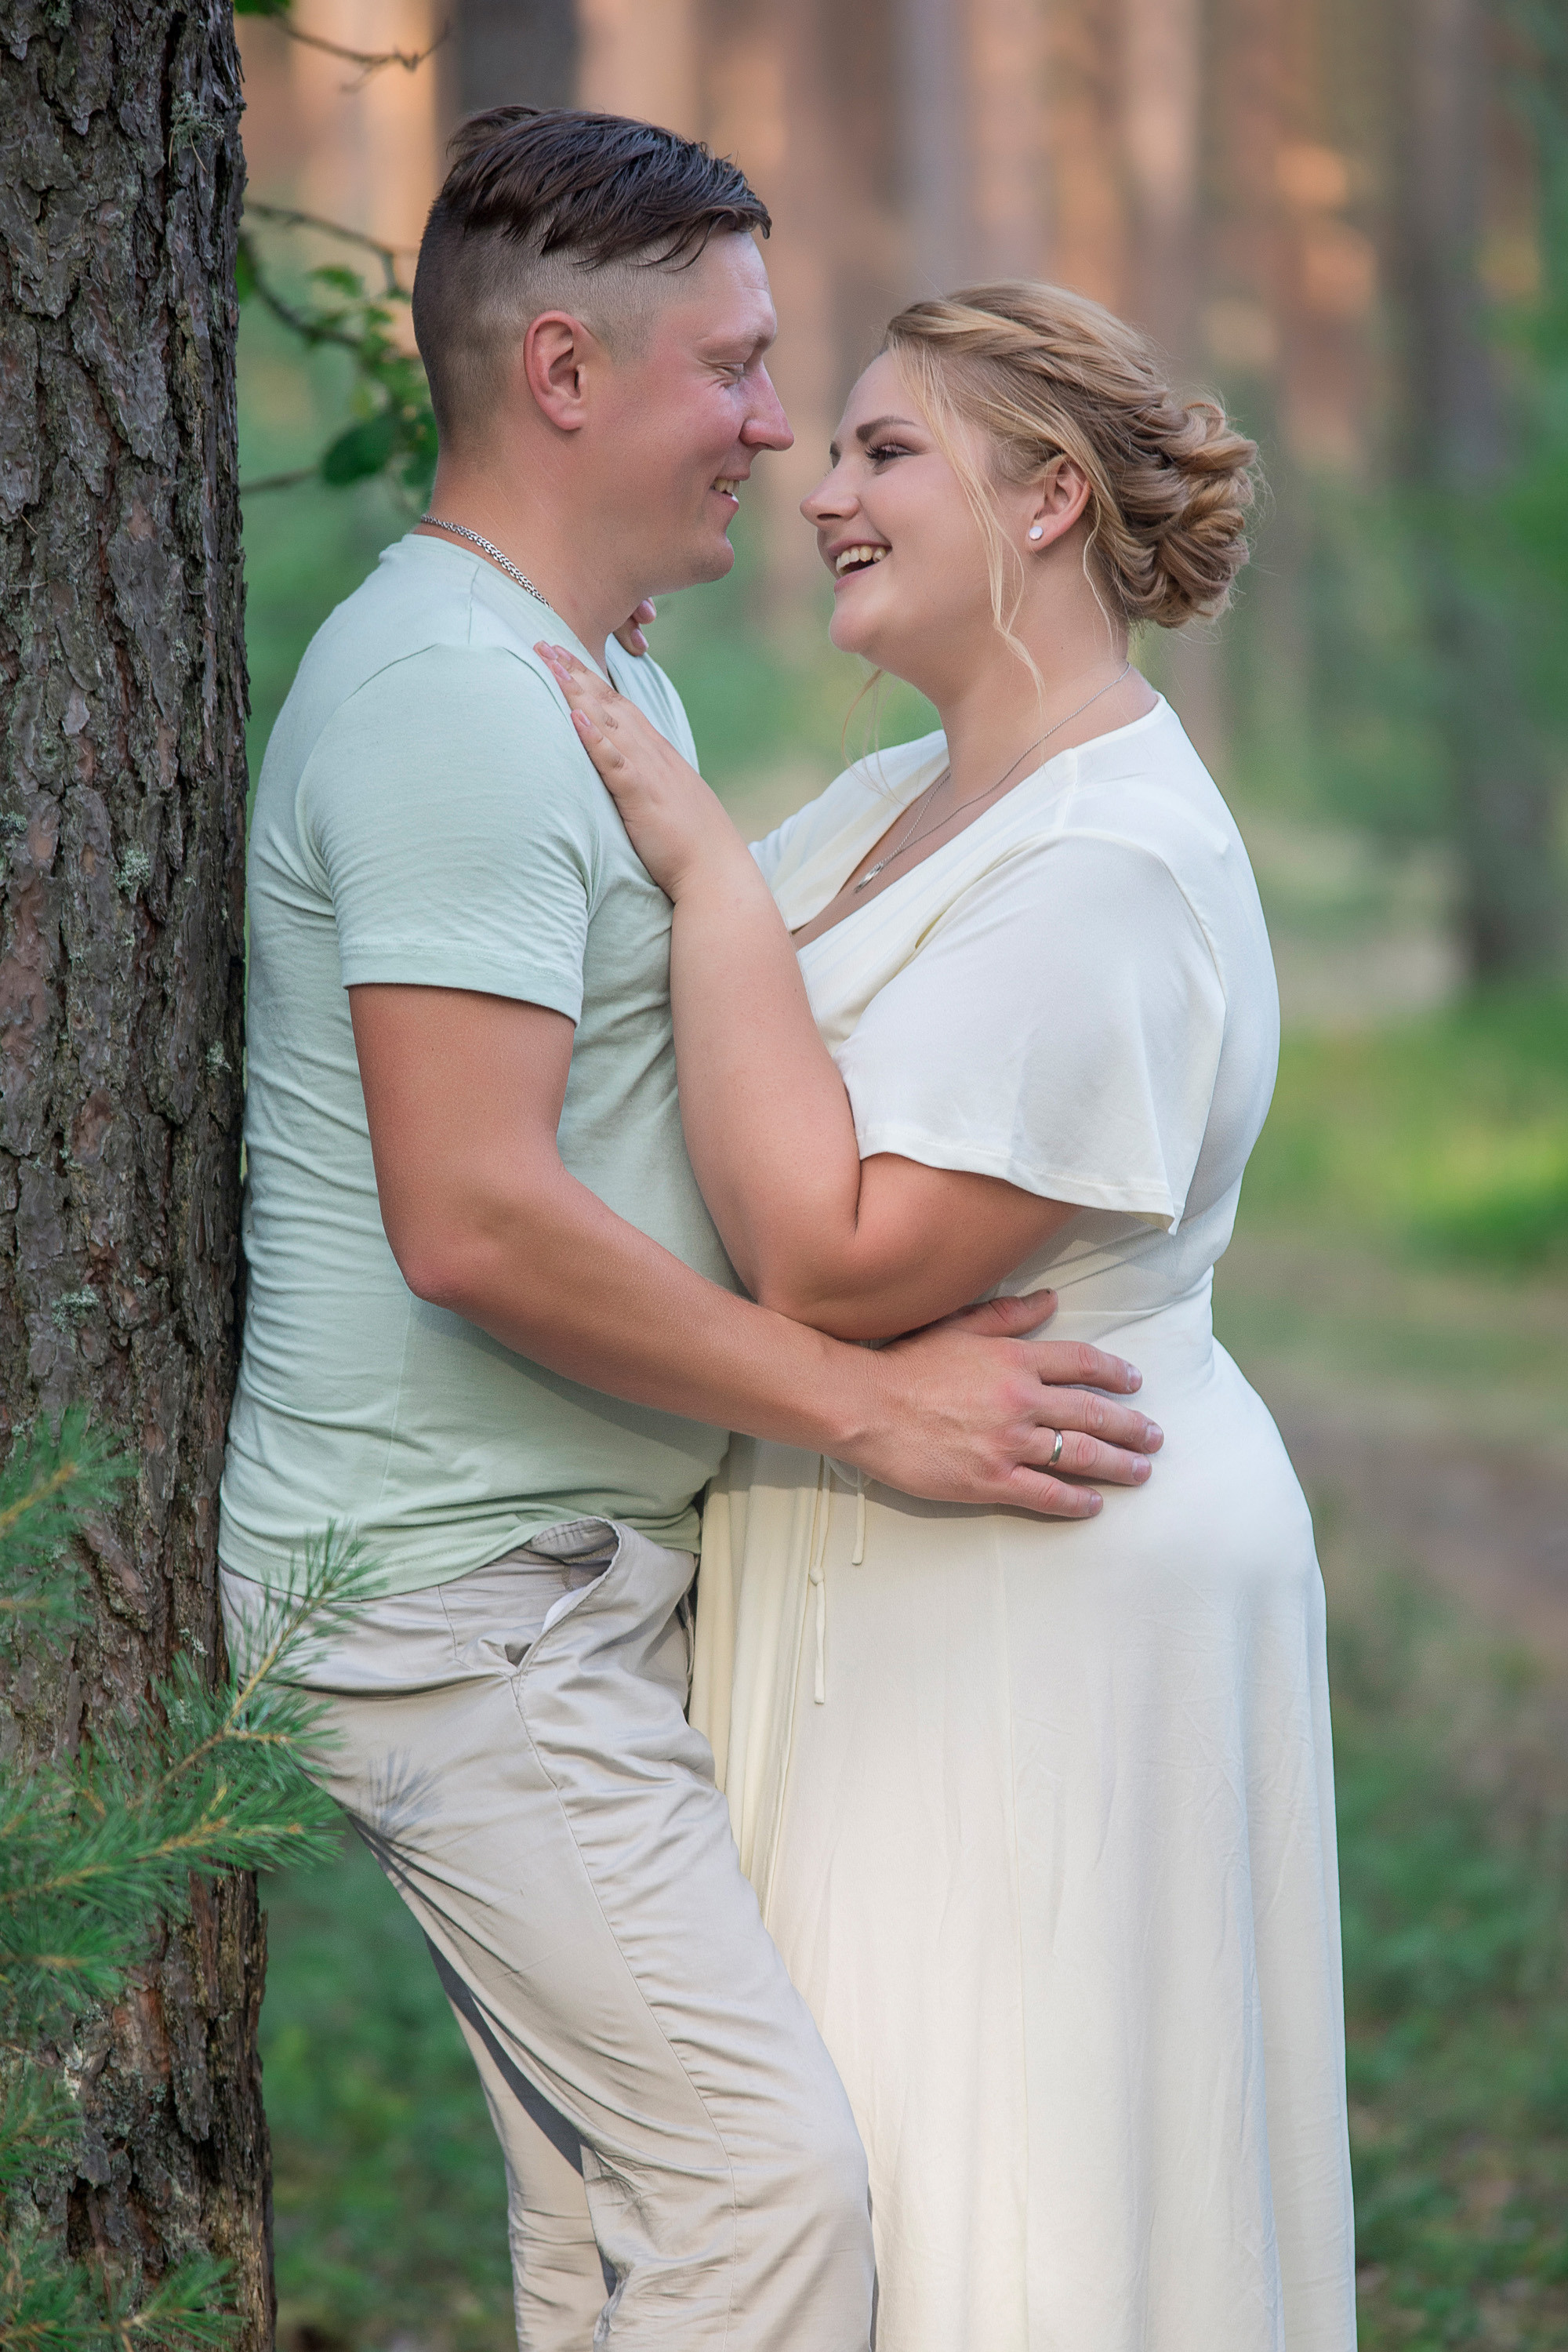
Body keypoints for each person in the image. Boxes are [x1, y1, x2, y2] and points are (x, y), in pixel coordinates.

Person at [217, 113, 1163, 2352]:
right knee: (761, 2194)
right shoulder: (456, 696)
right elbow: (473, 1220)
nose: (774, 428)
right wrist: (864, 1406)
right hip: (457, 1607)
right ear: (564, 373)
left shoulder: (591, 666)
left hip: (545, 1583)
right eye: (736, 370)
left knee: (621, 2229)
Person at [543, 280, 1359, 2350]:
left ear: (1051, 498)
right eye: (832, 449)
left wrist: (713, 884)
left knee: (1020, 2197)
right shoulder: (906, 793)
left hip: (1039, 1589)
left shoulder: (1114, 869)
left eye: (885, 450)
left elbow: (828, 1250)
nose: (825, 490)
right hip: (882, 1581)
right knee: (866, 2182)